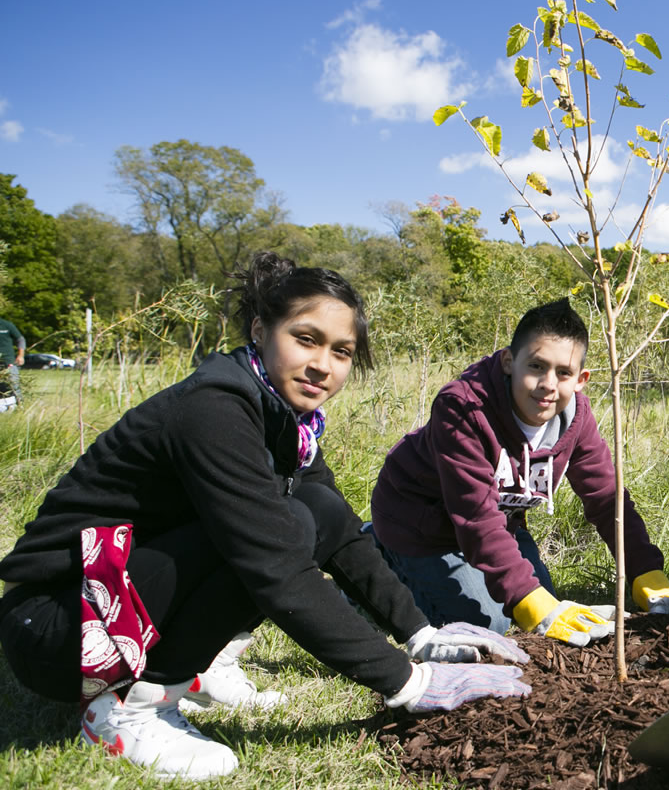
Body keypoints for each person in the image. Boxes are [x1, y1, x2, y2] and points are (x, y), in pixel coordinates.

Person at [0, 252, 532, 780]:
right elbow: (275, 563)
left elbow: (340, 532)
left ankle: (204, 663)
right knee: (283, 529)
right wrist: (408, 681)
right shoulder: (214, 409)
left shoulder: (285, 421)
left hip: (114, 596)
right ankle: (128, 705)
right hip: (59, 627)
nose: (323, 364)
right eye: (306, 339)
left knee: (314, 509)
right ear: (260, 329)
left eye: (342, 351)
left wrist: (420, 632)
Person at [370, 298, 669, 649]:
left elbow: (606, 497)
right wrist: (530, 604)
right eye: (536, 366)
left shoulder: (575, 417)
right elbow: (474, 517)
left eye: (563, 372)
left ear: (581, 379)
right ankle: (377, 558)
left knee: (536, 599)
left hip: (499, 522)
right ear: (508, 361)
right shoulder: (463, 409)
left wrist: (649, 578)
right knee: (492, 625)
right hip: (419, 523)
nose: (548, 384)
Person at [0, 315, 24, 409]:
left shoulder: (7, 325)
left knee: (14, 384)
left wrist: (20, 356)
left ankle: (20, 406)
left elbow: (20, 339)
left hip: (8, 361)